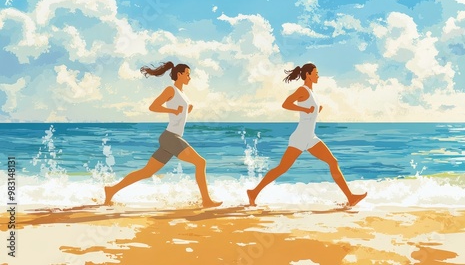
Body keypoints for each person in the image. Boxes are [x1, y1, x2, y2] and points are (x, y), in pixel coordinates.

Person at [247, 63, 367, 207]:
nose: (318, 75)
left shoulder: (312, 93)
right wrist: (305, 108)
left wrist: (317, 110)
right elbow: (286, 104)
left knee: (333, 162)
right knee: (282, 168)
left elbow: (309, 114)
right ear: (308, 74)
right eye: (316, 73)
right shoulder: (302, 90)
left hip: (310, 137)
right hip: (300, 137)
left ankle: (350, 197)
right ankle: (254, 192)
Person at [104, 61, 222, 208]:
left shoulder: (183, 94)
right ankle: (206, 201)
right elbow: (153, 106)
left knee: (146, 172)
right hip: (171, 137)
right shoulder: (170, 90)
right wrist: (173, 111)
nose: (189, 78)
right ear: (179, 75)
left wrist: (188, 108)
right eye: (187, 74)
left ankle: (111, 190)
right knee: (200, 162)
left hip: (171, 137)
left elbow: (180, 111)